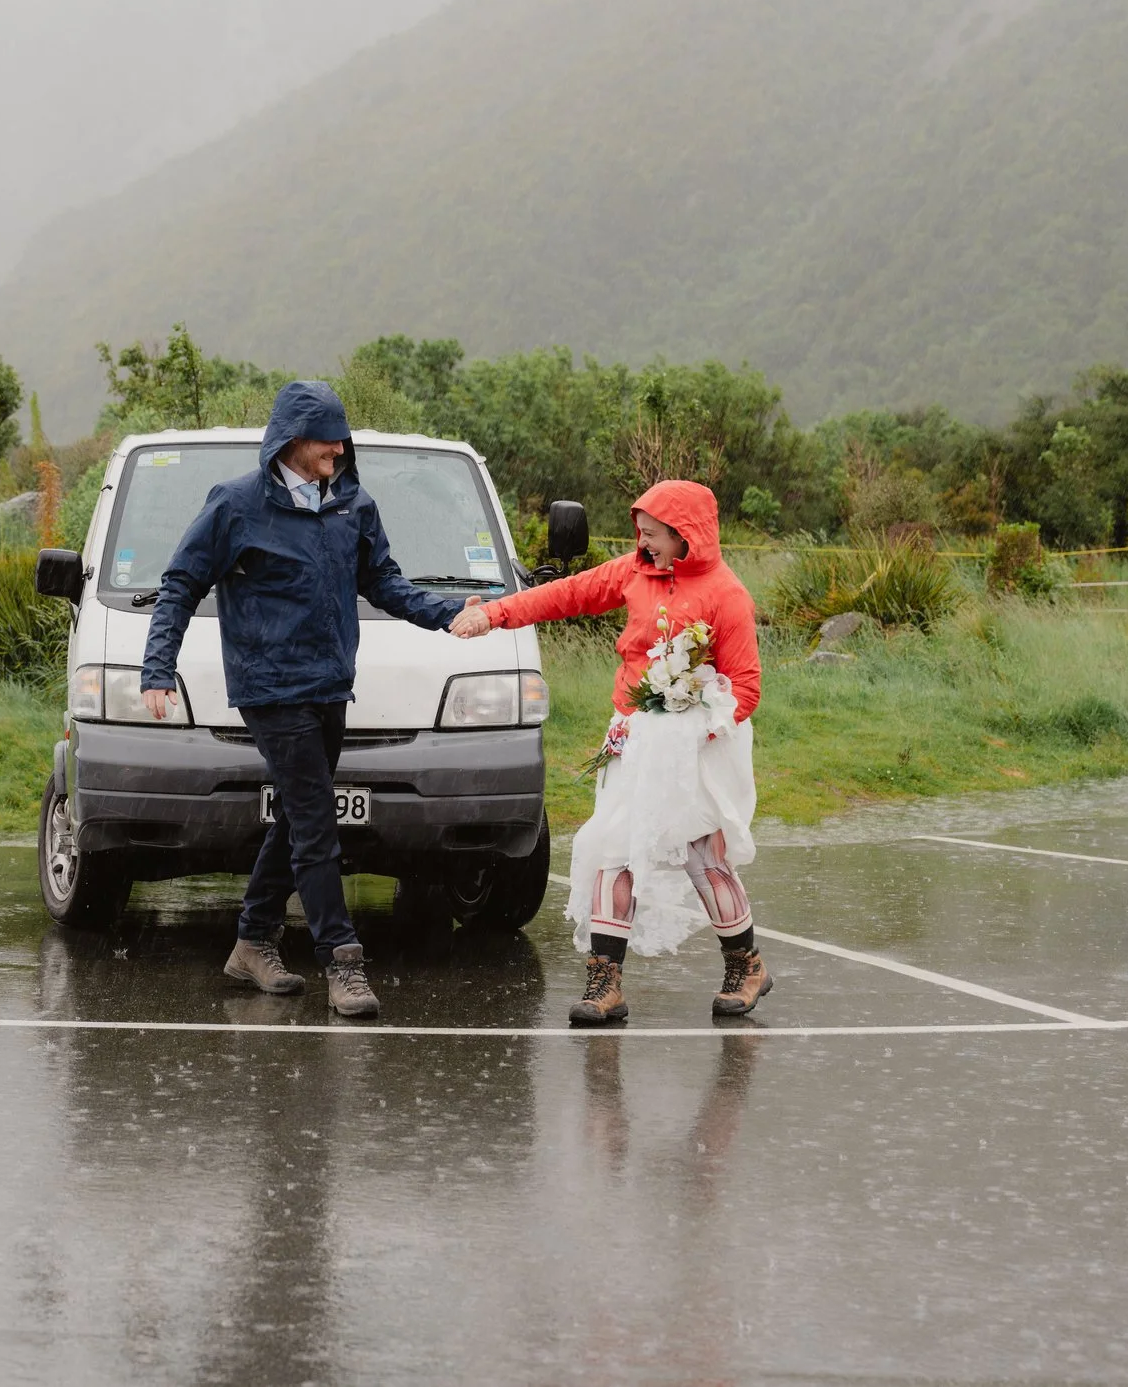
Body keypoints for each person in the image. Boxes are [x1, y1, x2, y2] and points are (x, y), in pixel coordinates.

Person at [141, 381, 465, 1019]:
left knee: (297, 812)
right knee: (317, 820)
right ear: (291, 439)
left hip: (328, 683)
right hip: (269, 687)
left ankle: (252, 940)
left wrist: (449, 615)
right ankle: (342, 960)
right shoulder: (235, 506)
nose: (340, 449)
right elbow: (180, 583)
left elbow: (385, 582)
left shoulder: (353, 506)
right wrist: (157, 669)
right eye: (327, 438)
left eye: (343, 437)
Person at [451, 479, 768, 1024]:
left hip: (695, 748)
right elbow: (564, 594)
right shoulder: (633, 572)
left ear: (684, 534)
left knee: (701, 855)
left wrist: (697, 725)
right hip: (633, 736)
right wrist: (495, 614)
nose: (642, 544)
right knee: (611, 846)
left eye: (653, 536)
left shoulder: (727, 594)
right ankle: (606, 982)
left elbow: (745, 686)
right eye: (639, 534)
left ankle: (747, 965)